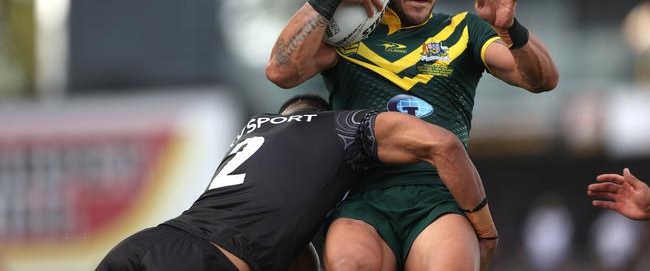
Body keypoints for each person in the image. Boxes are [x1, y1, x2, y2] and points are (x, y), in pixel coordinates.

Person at [266, 0, 559, 271]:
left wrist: (511, 28)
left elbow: (542, 79)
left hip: (440, 198)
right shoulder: (347, 37)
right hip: (363, 199)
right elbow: (280, 71)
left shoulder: (464, 29)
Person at [96, 94, 495, 271]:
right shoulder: (340, 126)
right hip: (203, 261)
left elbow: (291, 246)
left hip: (143, 243)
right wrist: (485, 231)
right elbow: (442, 143)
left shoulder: (253, 130)